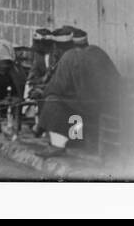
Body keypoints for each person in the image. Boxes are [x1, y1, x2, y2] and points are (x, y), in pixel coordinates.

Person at [36, 27, 121, 157]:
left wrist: (42, 91)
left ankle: (57, 145)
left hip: (88, 107)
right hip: (108, 104)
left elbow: (57, 87)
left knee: (53, 100)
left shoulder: (69, 57)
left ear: (59, 47)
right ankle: (75, 137)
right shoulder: (98, 52)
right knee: (70, 100)